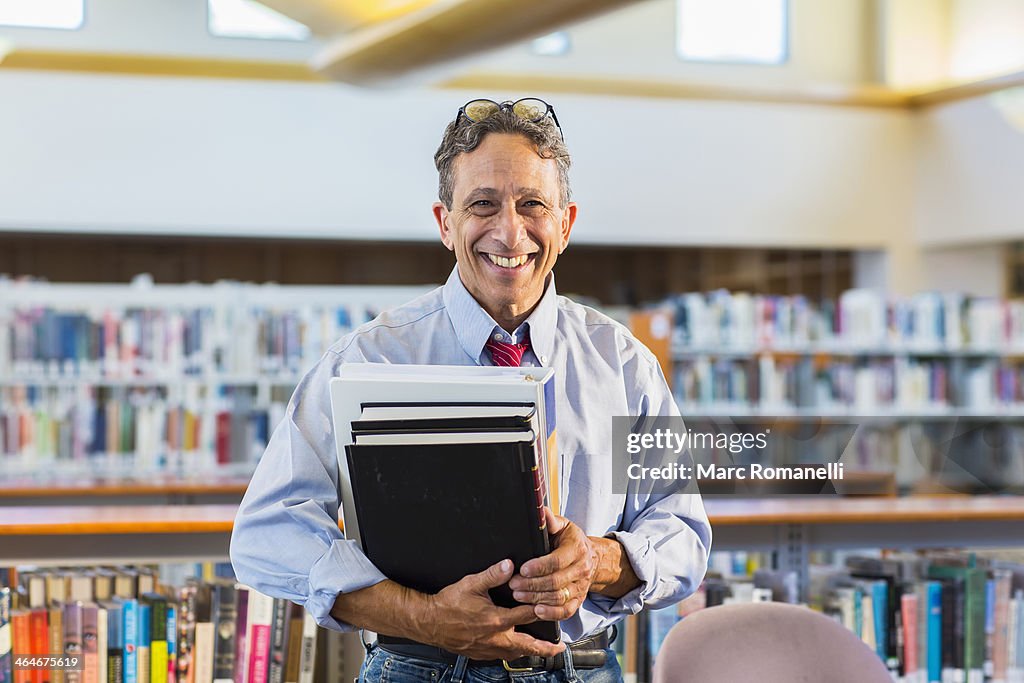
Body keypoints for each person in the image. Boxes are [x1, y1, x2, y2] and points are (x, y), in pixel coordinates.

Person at [230, 97, 712, 683]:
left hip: (583, 667)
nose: (510, 232)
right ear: (445, 223)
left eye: (532, 204)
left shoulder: (625, 365)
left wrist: (599, 562)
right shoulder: (369, 360)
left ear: (565, 223)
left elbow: (681, 533)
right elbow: (267, 533)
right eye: (482, 205)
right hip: (417, 667)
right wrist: (420, 615)